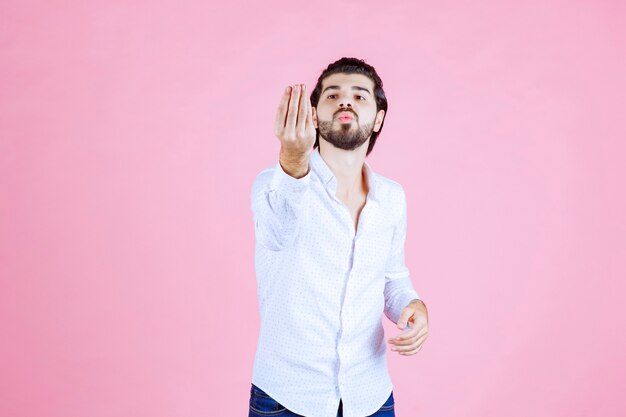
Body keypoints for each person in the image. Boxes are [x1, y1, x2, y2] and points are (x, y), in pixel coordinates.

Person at [249, 57, 429, 417]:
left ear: (378, 118)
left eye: (360, 96)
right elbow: (275, 233)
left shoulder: (392, 198)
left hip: (371, 396)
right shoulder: (273, 184)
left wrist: (414, 307)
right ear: (313, 115)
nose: (345, 101)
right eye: (332, 95)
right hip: (286, 399)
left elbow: (393, 277)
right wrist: (293, 159)